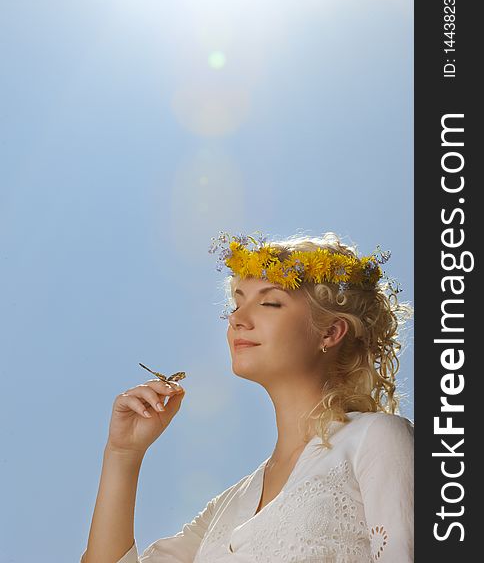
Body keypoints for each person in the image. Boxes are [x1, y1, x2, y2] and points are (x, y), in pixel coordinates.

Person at [80, 230, 414, 563]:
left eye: (270, 302)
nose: (237, 319)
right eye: (237, 303)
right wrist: (123, 454)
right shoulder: (224, 508)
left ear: (330, 331)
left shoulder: (375, 439)